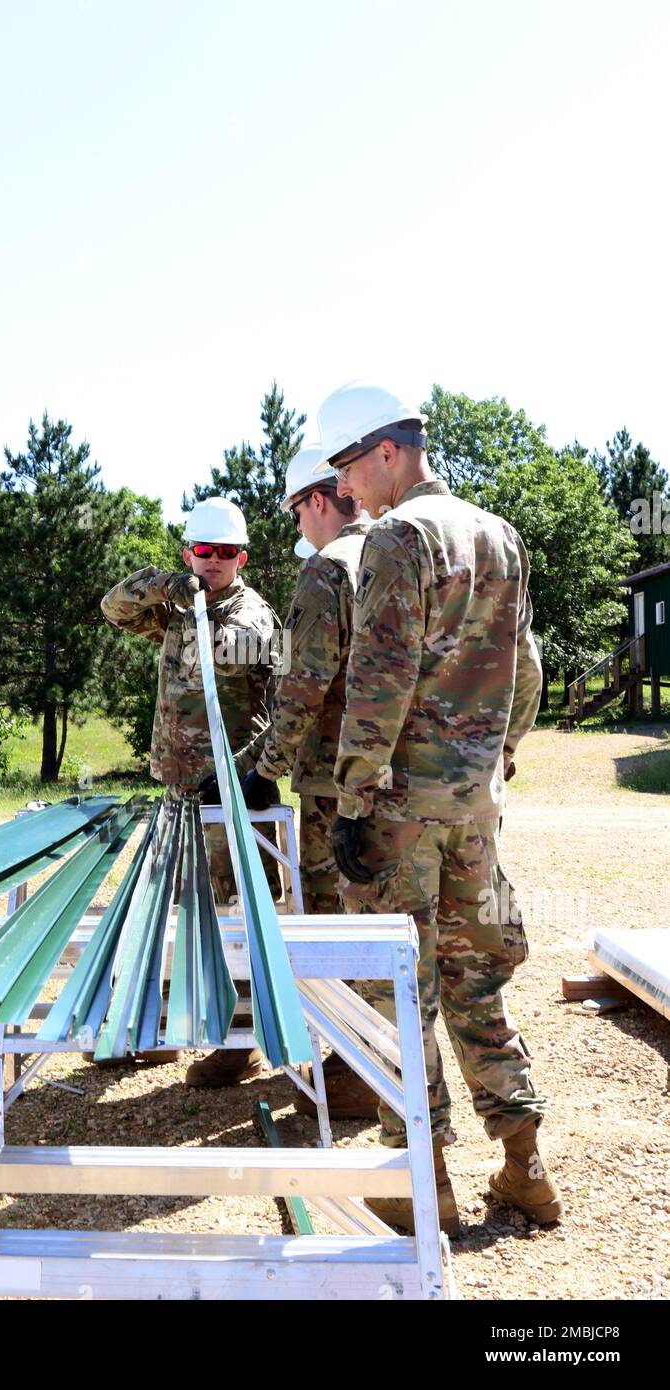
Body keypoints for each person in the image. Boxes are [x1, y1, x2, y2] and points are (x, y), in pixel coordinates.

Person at [313, 380, 562, 1235]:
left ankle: (426, 1188)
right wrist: (497, 760)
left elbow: (379, 680)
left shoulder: (396, 536)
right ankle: (525, 1165)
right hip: (476, 809)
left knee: (396, 994)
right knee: (476, 982)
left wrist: (351, 801)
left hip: (400, 813)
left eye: (348, 464)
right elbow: (525, 669)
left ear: (389, 450)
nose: (344, 485)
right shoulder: (500, 534)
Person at [101, 495, 279, 1086]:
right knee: (178, 905)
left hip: (227, 792)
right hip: (176, 786)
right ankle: (171, 1025)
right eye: (204, 551)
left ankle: (243, 1038)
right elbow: (113, 606)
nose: (214, 562)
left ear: (242, 558)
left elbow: (282, 712)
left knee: (235, 911)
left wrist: (246, 775)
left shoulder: (252, 621)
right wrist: (166, 585)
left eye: (226, 553)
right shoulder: (179, 608)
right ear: (189, 552)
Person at [235, 446, 377, 1118]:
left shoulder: (328, 571)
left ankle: (353, 1069)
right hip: (404, 780)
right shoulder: (401, 552)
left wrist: (260, 774)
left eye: (296, 513)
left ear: (318, 500)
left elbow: (300, 689)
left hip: (334, 784)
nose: (298, 527)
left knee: (335, 922)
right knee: (394, 922)